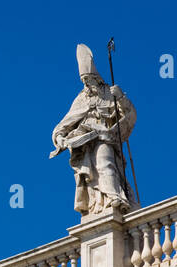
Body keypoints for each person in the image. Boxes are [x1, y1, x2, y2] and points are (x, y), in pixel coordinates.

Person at [51, 44, 136, 216]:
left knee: (105, 163)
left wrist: (121, 97)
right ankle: (102, 202)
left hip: (106, 137)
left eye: (89, 80)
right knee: (96, 170)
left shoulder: (109, 93)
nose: (87, 85)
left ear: (96, 78)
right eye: (84, 82)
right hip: (86, 143)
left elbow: (130, 115)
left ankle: (114, 198)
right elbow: (64, 124)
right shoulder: (82, 98)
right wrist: (59, 137)